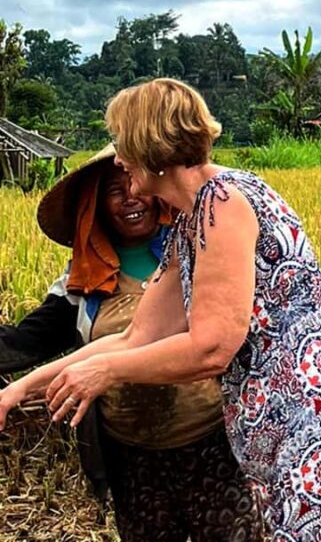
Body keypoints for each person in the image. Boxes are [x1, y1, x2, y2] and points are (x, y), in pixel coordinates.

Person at [0, 79, 321, 541]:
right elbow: (135, 337)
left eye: (122, 144)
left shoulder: (223, 203)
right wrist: (17, 390)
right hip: (291, 433)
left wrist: (106, 372)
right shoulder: (193, 220)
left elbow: (211, 348)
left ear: (150, 144)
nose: (119, 160)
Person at [0, 144, 262, 541]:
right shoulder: (82, 281)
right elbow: (26, 341)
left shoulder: (198, 248)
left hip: (213, 441)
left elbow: (225, 339)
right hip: (131, 453)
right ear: (95, 206)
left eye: (134, 183)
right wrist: (16, 390)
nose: (130, 198)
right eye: (113, 191)